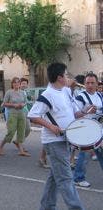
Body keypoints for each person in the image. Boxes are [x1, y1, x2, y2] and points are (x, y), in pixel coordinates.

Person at [28, 63, 86, 210]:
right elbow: (33, 115)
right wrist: (51, 126)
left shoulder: (65, 91)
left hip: (65, 139)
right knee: (66, 178)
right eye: (66, 75)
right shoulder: (47, 95)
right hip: (54, 142)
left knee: (55, 177)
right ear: (60, 77)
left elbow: (72, 113)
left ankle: (46, 206)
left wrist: (85, 111)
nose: (68, 77)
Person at [73, 72, 103, 187]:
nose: (90, 85)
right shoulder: (80, 97)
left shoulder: (100, 96)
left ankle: (78, 177)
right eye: (87, 83)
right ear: (84, 84)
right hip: (86, 130)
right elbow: (74, 115)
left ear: (97, 84)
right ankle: (78, 178)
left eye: (92, 83)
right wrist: (86, 110)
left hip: (99, 129)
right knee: (84, 155)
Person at [0, 77, 29, 156]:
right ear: (12, 84)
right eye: (14, 82)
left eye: (18, 82)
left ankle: (21, 151)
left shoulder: (22, 92)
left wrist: (22, 105)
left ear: (20, 84)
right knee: (11, 132)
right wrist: (14, 105)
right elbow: (3, 104)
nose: (16, 84)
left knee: (21, 132)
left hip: (21, 113)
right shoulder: (9, 92)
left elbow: (25, 102)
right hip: (12, 114)